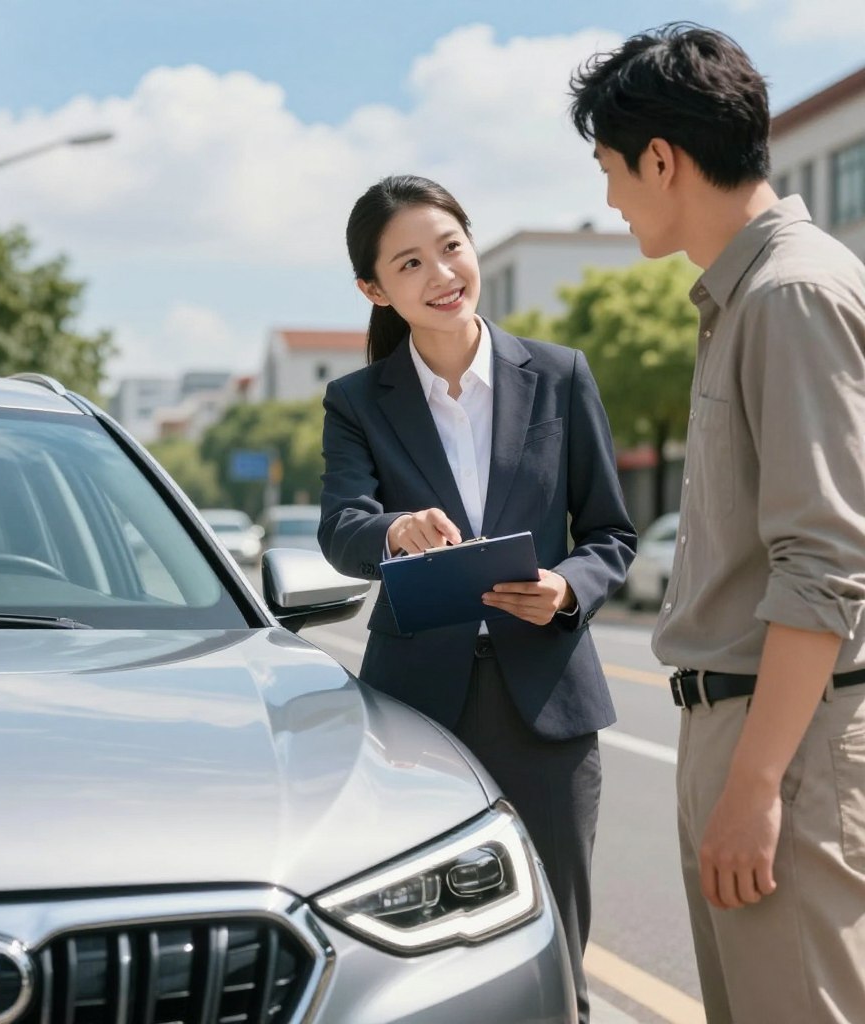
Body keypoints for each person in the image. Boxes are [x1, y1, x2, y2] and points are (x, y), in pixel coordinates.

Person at [569, 23, 865, 1024]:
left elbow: (823, 562)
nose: (609, 198)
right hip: (743, 726)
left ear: (661, 158)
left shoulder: (788, 295)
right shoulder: (740, 296)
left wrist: (753, 783)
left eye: (610, 169)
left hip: (782, 737)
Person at [318, 173, 636, 1023]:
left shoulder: (561, 377)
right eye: (410, 262)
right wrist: (393, 531)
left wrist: (569, 588)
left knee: (558, 938)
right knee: (420, 937)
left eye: (451, 247)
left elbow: (612, 533)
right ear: (375, 289)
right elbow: (340, 527)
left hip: (549, 704)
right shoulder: (356, 401)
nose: (441, 274)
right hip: (416, 712)